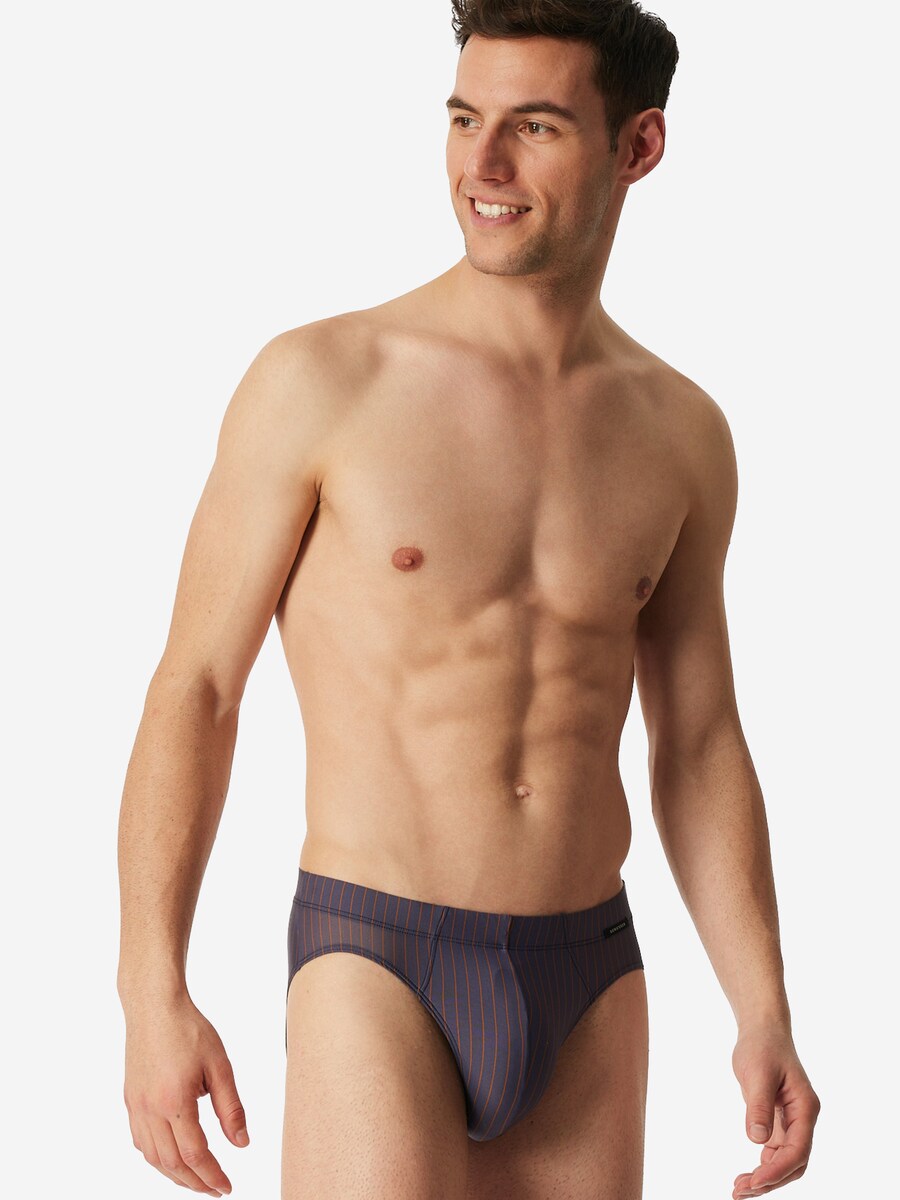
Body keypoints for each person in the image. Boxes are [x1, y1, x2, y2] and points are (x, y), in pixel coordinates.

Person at [116, 2, 821, 1197]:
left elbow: (698, 737)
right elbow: (198, 687)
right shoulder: (323, 380)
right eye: (462, 119)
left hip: (592, 974)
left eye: (533, 127)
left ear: (639, 146)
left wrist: (764, 1007)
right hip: (376, 958)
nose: (481, 165)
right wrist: (150, 988)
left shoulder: (681, 433)